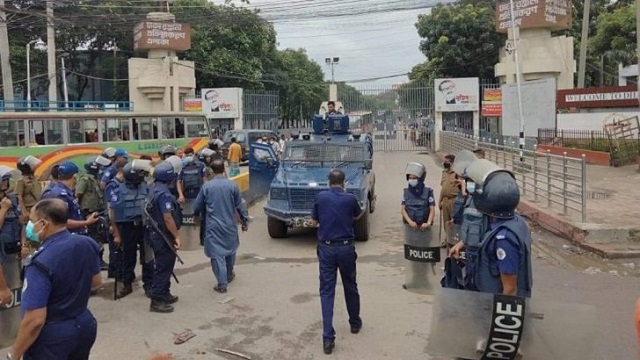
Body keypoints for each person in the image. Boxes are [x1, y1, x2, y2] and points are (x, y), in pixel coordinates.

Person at [6, 198, 101, 360]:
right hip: (84, 324)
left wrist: (13, 354)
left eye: (32, 221)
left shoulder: (39, 262)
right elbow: (96, 282)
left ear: (43, 224)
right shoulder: (86, 243)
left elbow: (35, 320)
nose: (29, 226)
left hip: (53, 336)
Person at [449, 162, 532, 298]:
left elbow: (510, 289)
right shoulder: (516, 222)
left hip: (493, 305)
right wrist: (462, 244)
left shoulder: (504, 238)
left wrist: (501, 318)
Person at [309, 169, 364, 355]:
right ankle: (355, 323)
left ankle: (327, 338)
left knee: (326, 292)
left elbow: (314, 219)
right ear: (344, 182)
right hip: (346, 247)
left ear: (329, 182)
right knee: (350, 285)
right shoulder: (350, 198)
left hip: (326, 248)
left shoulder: (321, 198)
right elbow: (357, 215)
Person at [193, 159, 248, 294]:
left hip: (213, 226)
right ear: (224, 169)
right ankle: (229, 274)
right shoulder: (232, 185)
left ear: (211, 171)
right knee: (230, 249)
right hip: (230, 225)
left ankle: (222, 283)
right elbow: (240, 205)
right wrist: (244, 220)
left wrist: (196, 216)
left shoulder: (206, 187)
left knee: (217, 254)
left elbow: (197, 206)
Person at [108, 162, 153, 299]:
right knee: (128, 257)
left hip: (144, 226)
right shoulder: (118, 190)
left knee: (148, 258)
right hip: (128, 228)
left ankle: (149, 285)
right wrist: (116, 233)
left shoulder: (145, 186)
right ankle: (127, 284)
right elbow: (112, 213)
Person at [145, 161, 182, 313]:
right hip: (162, 235)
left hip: (155, 233)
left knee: (167, 265)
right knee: (163, 266)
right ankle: (157, 300)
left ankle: (165, 293)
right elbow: (168, 218)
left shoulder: (153, 189)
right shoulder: (164, 194)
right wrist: (177, 236)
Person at [400, 162, 436, 290]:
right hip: (411, 230)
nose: (412, 180)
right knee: (413, 255)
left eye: (414, 178)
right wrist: (410, 222)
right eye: (410, 177)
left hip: (424, 230)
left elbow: (432, 210)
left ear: (420, 178)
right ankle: (414, 280)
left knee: (424, 255)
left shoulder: (428, 192)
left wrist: (429, 222)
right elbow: (403, 209)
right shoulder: (406, 192)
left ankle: (424, 280)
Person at [41, 161, 99, 235]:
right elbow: (61, 222)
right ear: (75, 176)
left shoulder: (65, 192)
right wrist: (87, 222)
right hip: (68, 237)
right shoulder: (61, 195)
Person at [77, 156, 110, 271]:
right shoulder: (85, 180)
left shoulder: (95, 179)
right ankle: (96, 262)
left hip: (97, 212)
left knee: (99, 237)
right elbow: (78, 196)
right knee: (94, 238)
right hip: (88, 213)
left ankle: (99, 260)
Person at [0, 167, 22, 308]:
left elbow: (22, 221)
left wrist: (24, 244)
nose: (6, 184)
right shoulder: (5, 205)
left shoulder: (11, 199)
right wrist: (3, 209)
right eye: (4, 181)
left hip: (14, 252)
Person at [15, 156, 43, 223]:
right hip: (29, 209)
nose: (35, 167)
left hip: (38, 207)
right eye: (32, 165)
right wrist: (24, 212)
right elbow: (19, 197)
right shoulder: (21, 180)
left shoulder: (34, 178)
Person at [439, 154, 459, 248]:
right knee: (446, 222)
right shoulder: (444, 173)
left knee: (453, 222)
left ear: (451, 163)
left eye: (447, 161)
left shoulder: (457, 174)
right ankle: (447, 240)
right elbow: (443, 188)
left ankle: (454, 241)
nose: (444, 163)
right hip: (445, 200)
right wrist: (440, 201)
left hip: (453, 200)